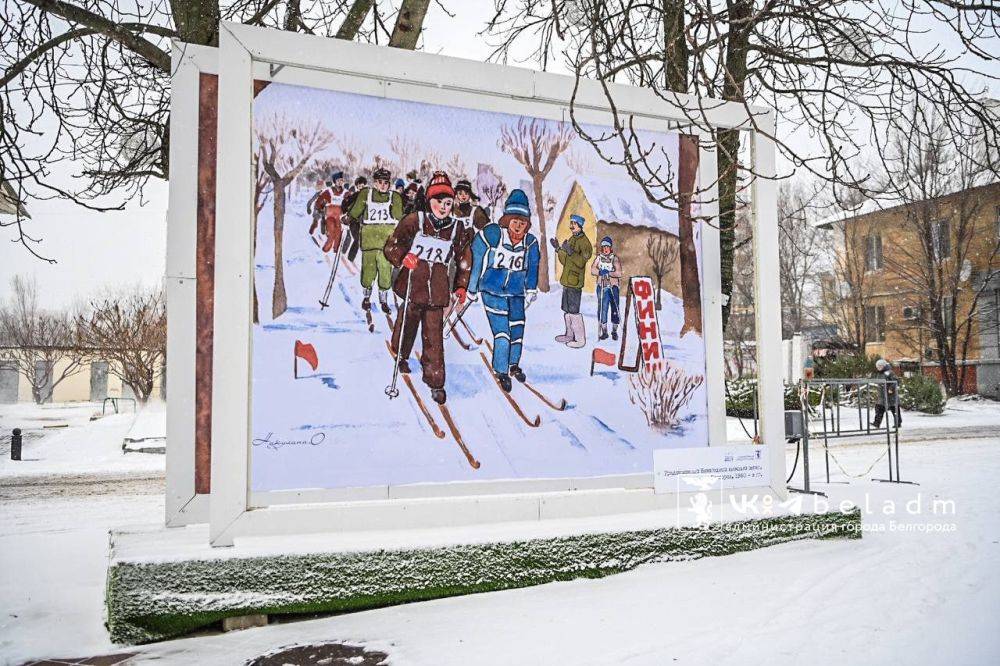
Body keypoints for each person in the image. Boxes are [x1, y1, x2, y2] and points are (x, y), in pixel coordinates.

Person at [383, 172, 473, 405]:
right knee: (408, 321)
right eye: (438, 202)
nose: (443, 208)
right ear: (429, 201)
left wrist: (461, 286)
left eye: (447, 203)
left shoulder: (456, 229)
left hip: (438, 291)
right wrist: (403, 257)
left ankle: (435, 380)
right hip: (414, 284)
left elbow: (464, 258)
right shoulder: (415, 221)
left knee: (433, 336)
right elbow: (392, 245)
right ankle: (400, 353)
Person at [467, 189, 541, 392]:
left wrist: (531, 288)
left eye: (523, 223)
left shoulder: (530, 242)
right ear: (507, 220)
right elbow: (477, 251)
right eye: (514, 221)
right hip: (492, 290)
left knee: (517, 327)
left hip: (516, 293)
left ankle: (513, 364)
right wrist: (472, 286)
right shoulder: (494, 234)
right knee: (503, 333)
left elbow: (533, 265)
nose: (518, 227)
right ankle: (501, 369)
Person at [345, 167, 405, 314]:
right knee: (368, 271)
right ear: (374, 182)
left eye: (386, 182)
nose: (383, 185)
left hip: (387, 242)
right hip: (369, 241)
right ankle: (366, 298)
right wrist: (348, 218)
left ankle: (383, 301)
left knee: (385, 271)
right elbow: (356, 210)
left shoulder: (395, 197)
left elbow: (399, 216)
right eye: (380, 182)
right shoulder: (366, 194)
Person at [550, 213, 593, 348]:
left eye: (574, 224)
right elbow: (565, 260)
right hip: (567, 281)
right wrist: (558, 249)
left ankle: (580, 339)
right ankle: (569, 335)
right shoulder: (572, 239)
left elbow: (581, 262)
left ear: (580, 226)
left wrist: (570, 252)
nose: (571, 226)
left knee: (574, 311)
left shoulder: (585, 243)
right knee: (567, 310)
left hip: (575, 282)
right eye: (571, 224)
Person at [590, 236, 623, 340]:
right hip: (602, 286)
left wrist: (609, 273)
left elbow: (619, 273)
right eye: (604, 247)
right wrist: (600, 272)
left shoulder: (614, 258)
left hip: (613, 287)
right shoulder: (599, 258)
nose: (605, 249)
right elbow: (592, 270)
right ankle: (604, 331)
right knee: (603, 309)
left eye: (607, 247)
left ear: (610, 248)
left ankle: (614, 330)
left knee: (615, 308)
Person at [313, 171, 348, 253]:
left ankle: (336, 249)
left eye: (341, 180)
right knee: (332, 232)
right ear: (335, 181)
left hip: (339, 217)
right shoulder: (329, 191)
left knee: (339, 232)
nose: (340, 182)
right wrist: (319, 208)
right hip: (330, 216)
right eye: (338, 180)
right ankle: (326, 248)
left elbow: (350, 201)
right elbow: (319, 200)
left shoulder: (345, 192)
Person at [342, 175, 367, 262]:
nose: (361, 188)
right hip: (354, 221)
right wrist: (345, 201)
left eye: (363, 186)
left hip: (364, 222)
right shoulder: (355, 195)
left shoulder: (368, 197)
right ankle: (350, 258)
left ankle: (352, 257)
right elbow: (345, 206)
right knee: (357, 238)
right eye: (360, 186)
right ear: (357, 186)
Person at [871, 358, 901, 428]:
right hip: (882, 395)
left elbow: (896, 381)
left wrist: (891, 388)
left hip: (891, 396)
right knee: (879, 409)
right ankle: (876, 423)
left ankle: (898, 423)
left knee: (895, 410)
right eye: (877, 367)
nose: (878, 368)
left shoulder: (889, 372)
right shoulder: (879, 374)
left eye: (880, 366)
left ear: (884, 366)